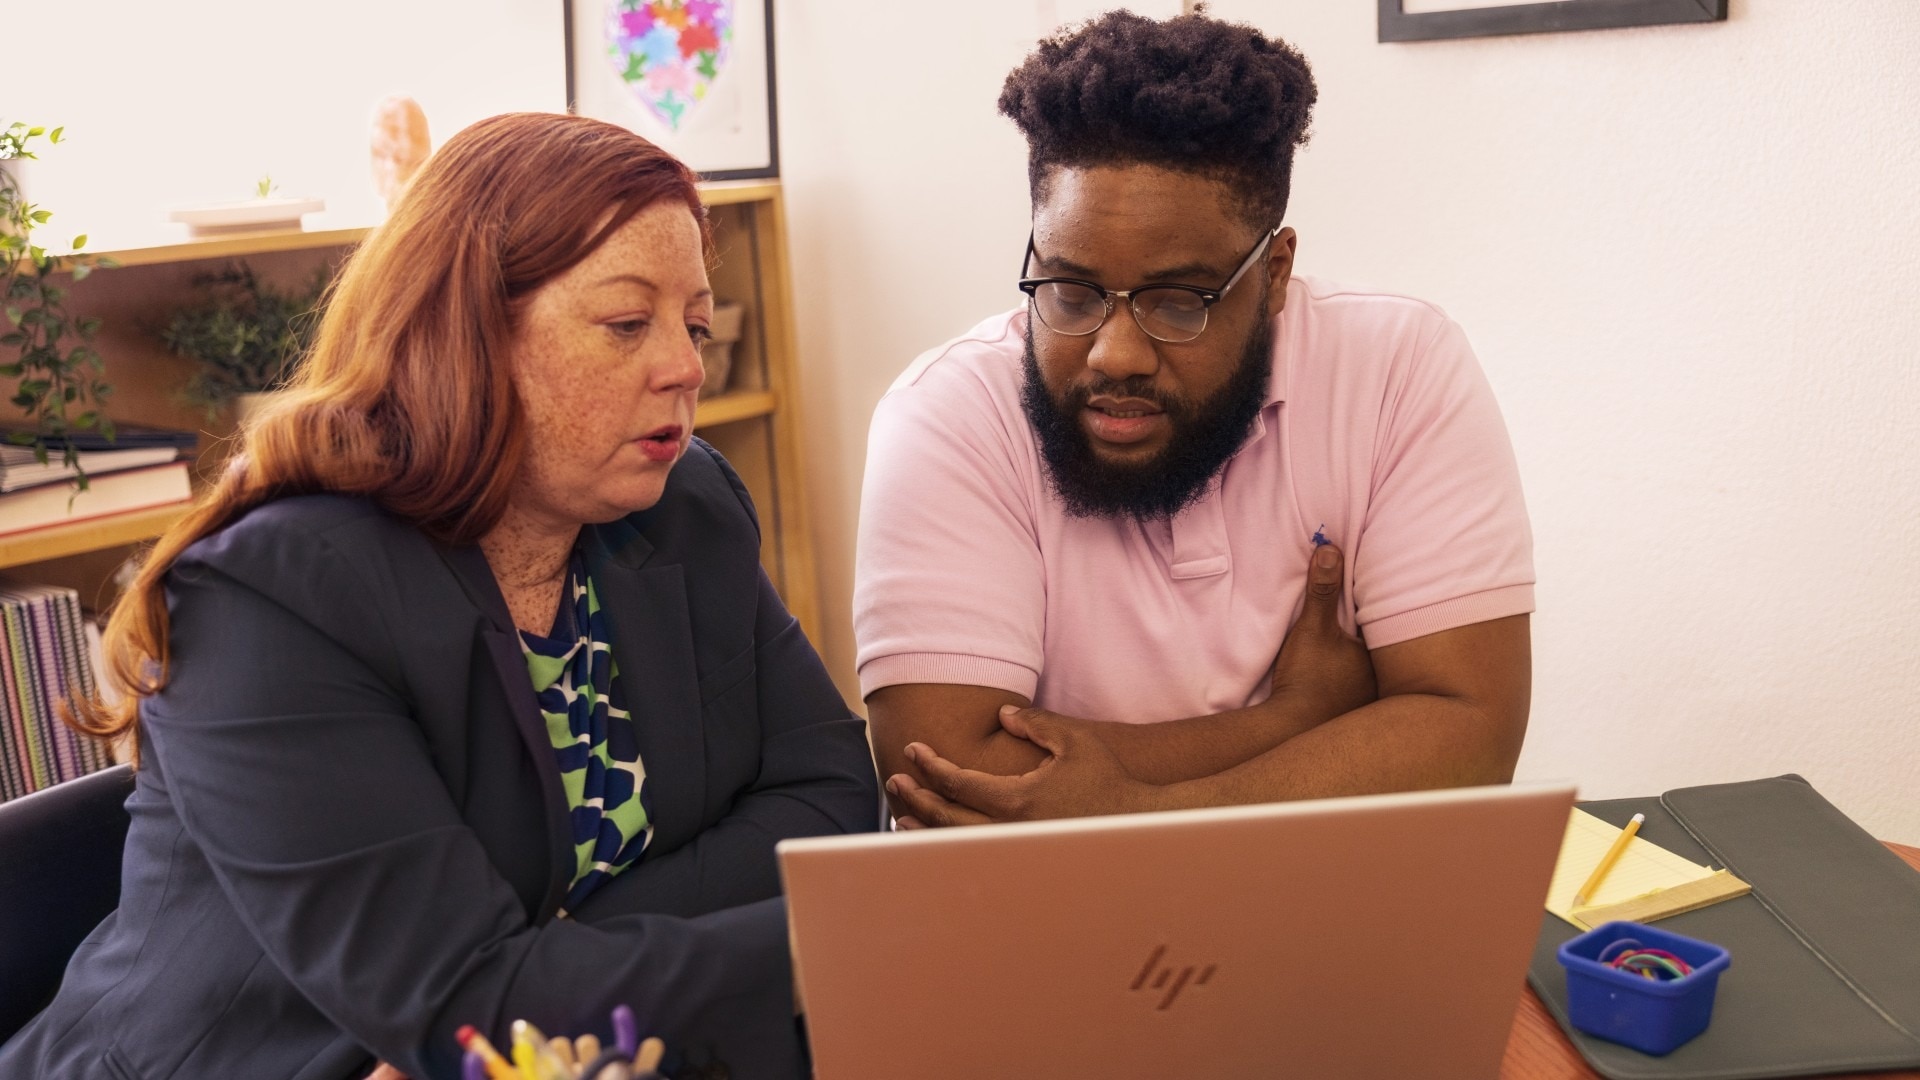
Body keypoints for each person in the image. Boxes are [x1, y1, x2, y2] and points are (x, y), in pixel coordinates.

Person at [0, 113, 877, 1080]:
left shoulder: (687, 504)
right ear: (465, 336)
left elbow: (830, 802)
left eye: (695, 324)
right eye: (628, 324)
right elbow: (467, 1005)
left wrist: (539, 961)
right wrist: (850, 941)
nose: (684, 367)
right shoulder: (269, 598)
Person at [858, 10, 1534, 828]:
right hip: (1035, 926)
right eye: (1070, 292)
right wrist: (1298, 720)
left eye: (1178, 302)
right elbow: (948, 774)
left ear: (1275, 273)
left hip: (1328, 907)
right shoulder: (949, 414)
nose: (1114, 354)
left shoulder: (1398, 368)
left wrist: (1132, 808)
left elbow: (1472, 735)